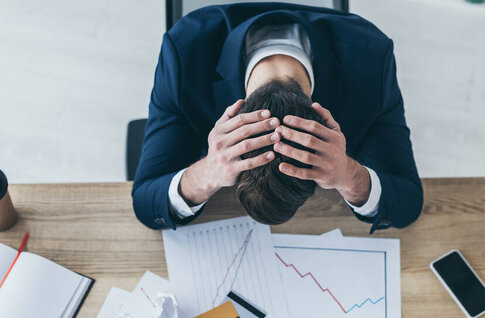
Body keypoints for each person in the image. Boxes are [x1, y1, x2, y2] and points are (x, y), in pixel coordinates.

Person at [132, 3, 423, 233]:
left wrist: (350, 174)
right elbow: (145, 204)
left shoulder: (373, 59)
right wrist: (206, 173)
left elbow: (408, 204)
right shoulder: (181, 52)